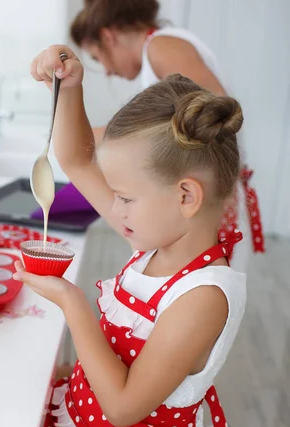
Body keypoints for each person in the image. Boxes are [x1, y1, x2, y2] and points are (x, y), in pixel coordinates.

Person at [14, 45, 246, 427]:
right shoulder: (158, 235)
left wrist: (73, 303)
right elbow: (76, 160)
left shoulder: (202, 296)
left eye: (123, 198)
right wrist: (71, 89)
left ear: (186, 195)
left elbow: (122, 408)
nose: (110, 210)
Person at [70, 0, 264, 272]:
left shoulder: (161, 47)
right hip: (195, 207)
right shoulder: (162, 48)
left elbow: (209, 107)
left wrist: (89, 137)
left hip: (203, 212)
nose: (107, 70)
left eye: (97, 57)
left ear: (108, 36)